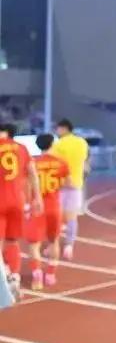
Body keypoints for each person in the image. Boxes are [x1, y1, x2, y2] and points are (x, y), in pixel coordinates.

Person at [0, 123, 41, 296]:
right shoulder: (22, 148)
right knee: (12, 241)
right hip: (17, 201)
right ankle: (15, 277)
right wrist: (37, 197)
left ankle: (4, 281)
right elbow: (33, 173)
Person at [25, 134, 70, 290]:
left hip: (37, 207)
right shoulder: (61, 163)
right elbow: (67, 183)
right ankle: (50, 275)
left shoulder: (32, 163)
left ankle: (37, 277)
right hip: (54, 206)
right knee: (53, 241)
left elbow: (28, 186)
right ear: (52, 144)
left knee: (34, 244)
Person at [51, 118, 88, 261]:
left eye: (58, 129)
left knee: (56, 217)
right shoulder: (82, 143)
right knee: (72, 217)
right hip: (76, 184)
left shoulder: (58, 144)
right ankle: (69, 245)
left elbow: (53, 163)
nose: (57, 131)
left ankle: (53, 245)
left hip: (60, 185)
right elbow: (84, 161)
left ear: (64, 128)